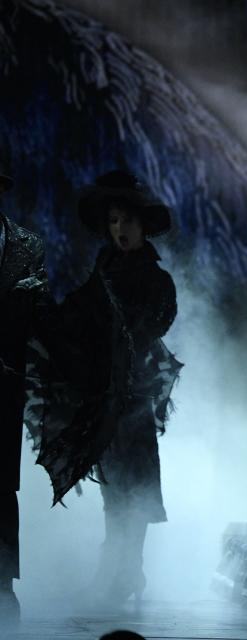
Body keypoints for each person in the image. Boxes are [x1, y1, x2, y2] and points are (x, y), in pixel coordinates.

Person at [62, 170, 180, 605]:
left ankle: (126, 571)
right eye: (113, 221)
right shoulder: (103, 270)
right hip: (107, 398)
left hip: (134, 400)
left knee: (135, 489)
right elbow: (77, 314)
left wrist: (108, 335)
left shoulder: (156, 281)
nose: (120, 229)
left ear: (143, 225)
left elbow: (145, 331)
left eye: (127, 220)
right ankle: (120, 571)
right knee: (114, 490)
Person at [0, 170, 57, 626]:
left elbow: (41, 323)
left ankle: (2, 587)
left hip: (4, 391)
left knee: (1, 492)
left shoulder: (26, 245)